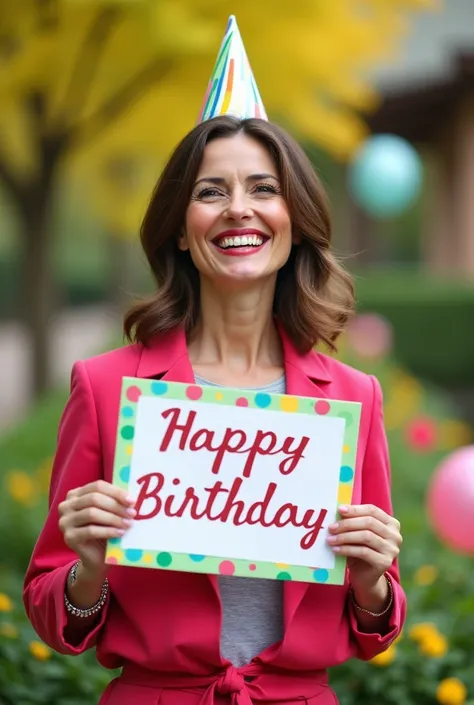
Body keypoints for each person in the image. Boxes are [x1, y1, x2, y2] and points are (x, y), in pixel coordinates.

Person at [24, 16, 405, 705]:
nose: (239, 210)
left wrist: (374, 579)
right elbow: (57, 619)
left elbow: (376, 628)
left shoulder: (352, 397)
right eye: (210, 192)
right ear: (178, 223)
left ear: (296, 219)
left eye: (263, 188)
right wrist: (87, 564)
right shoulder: (109, 387)